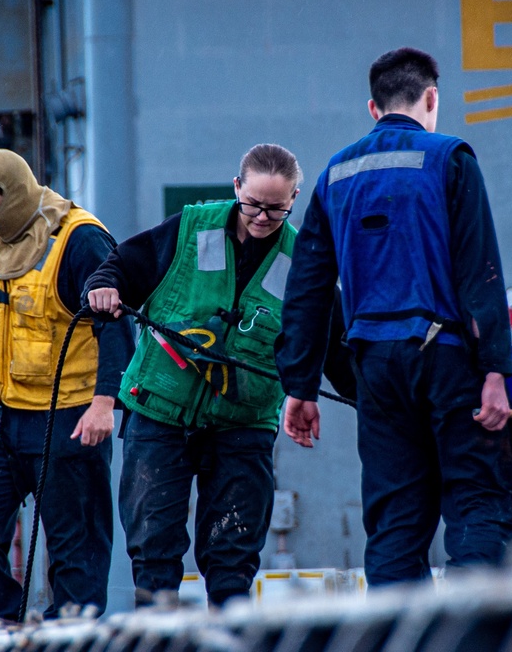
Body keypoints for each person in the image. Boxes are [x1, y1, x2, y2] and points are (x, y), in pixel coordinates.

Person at [275, 47, 512, 587]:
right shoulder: (450, 158)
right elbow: (480, 272)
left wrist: (300, 386)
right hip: (448, 359)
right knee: (479, 500)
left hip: (375, 369)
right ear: (431, 97)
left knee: (394, 522)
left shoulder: (335, 175)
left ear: (374, 107)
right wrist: (495, 373)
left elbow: (308, 289)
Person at [85, 144, 353, 607]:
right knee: (153, 547)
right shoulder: (189, 228)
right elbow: (123, 267)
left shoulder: (306, 263)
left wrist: (386, 398)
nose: (263, 217)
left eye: (276, 208)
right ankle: (156, 640)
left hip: (242, 426)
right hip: (161, 415)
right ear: (236, 188)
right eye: (253, 204)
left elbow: (337, 349)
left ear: (294, 200)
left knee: (232, 553)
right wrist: (102, 288)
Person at [0, 146, 134, 623]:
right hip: (0, 418)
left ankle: (69, 635)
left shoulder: (81, 241)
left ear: (15, 195)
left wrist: (104, 404)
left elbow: (115, 327)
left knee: (77, 549)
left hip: (69, 419)